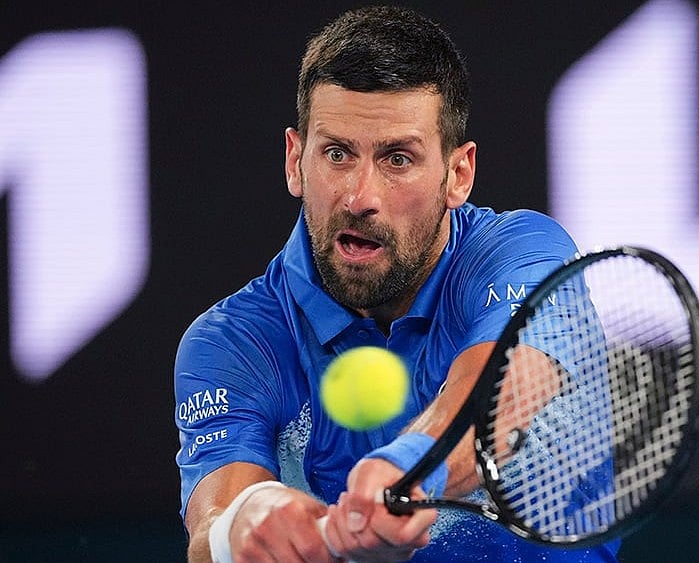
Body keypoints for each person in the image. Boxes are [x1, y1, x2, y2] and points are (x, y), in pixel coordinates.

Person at [174, 6, 620, 562]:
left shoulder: (523, 253)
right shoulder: (234, 342)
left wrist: (410, 466)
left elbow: (504, 391)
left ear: (458, 174)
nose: (360, 197)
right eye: (336, 154)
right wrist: (240, 525)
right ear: (295, 161)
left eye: (398, 159)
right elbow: (214, 520)